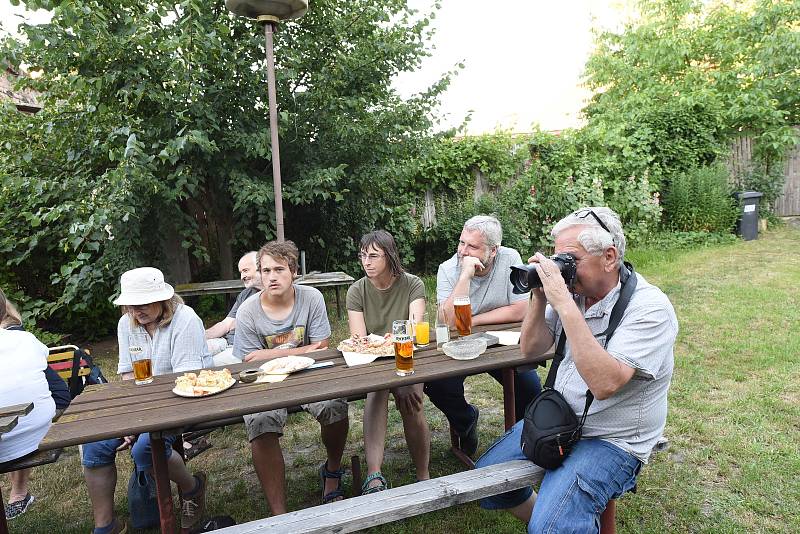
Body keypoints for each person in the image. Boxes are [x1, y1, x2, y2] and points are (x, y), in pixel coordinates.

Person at [476, 207, 678, 533]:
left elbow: (605, 383)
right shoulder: (576, 296)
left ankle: (557, 524)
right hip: (562, 422)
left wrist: (565, 304)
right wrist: (540, 298)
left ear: (610, 257)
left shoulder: (650, 308)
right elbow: (530, 349)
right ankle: (564, 523)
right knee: (486, 480)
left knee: (550, 527)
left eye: (570, 260)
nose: (563, 271)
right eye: (559, 260)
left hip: (613, 439)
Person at [81, 267, 213, 534]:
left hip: (186, 399)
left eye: (142, 304)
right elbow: (128, 375)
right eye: (131, 304)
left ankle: (192, 489)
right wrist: (132, 419)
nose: (136, 310)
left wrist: (139, 424)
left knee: (144, 449)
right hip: (142, 405)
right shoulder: (126, 323)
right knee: (94, 444)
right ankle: (106, 526)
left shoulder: (185, 319)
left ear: (162, 299)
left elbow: (185, 381)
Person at [232, 240, 349, 514]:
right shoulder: (248, 310)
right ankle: (279, 514)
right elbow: (248, 363)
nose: (272, 277)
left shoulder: (311, 298)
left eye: (279, 269)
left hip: (309, 374)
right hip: (265, 383)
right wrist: (299, 351)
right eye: (265, 270)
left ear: (294, 271)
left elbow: (322, 346)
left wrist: (267, 354)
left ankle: (332, 472)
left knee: (334, 405)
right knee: (260, 420)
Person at [425, 215, 542, 457]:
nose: (463, 251)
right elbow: (447, 321)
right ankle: (466, 421)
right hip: (458, 345)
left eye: (472, 246)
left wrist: (472, 320)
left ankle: (520, 443)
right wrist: (465, 276)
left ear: (494, 250)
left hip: (499, 340)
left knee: (530, 388)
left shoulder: (510, 258)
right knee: (437, 385)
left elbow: (521, 309)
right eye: (462, 243)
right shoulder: (448, 269)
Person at [346, 230, 431, 493]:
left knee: (410, 397)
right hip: (373, 360)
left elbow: (415, 327)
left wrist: (395, 337)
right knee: (376, 391)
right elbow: (359, 340)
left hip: (407, 355)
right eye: (363, 256)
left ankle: (423, 474)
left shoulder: (412, 284)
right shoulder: (356, 290)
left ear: (390, 256)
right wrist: (384, 341)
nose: (366, 262)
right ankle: (374, 475)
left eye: (373, 256)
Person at [0, 288, 57, 520]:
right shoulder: (25, 338)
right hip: (37, 430)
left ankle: (19, 493)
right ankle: (19, 493)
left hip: (15, 440)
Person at [205, 251, 263, 366]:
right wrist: (201, 336)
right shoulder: (246, 294)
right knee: (188, 350)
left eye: (245, 271)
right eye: (241, 272)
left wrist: (240, 322)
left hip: (243, 348)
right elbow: (226, 324)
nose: (242, 277)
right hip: (225, 341)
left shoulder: (273, 295)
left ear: (260, 267)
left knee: (204, 365)